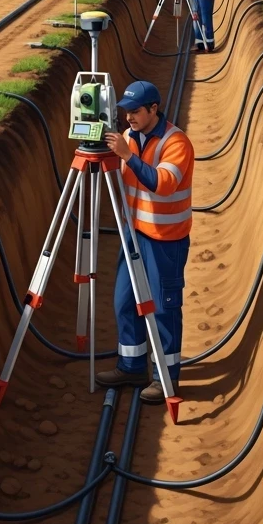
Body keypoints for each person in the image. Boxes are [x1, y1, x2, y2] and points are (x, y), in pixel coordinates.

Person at [96, 80, 193, 404]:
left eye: (136, 111)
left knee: (164, 310)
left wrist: (128, 156)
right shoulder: (128, 137)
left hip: (165, 240)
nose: (129, 118)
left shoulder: (175, 142)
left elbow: (161, 184)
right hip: (134, 234)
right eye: (125, 112)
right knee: (124, 302)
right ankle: (131, 366)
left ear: (154, 108)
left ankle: (167, 379)